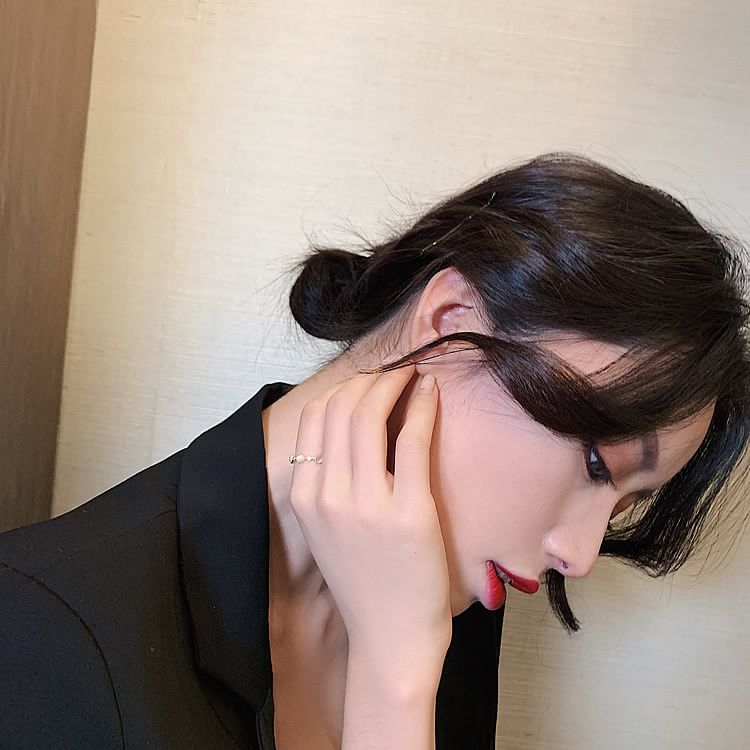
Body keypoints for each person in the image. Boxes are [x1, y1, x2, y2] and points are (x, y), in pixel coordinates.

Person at [1, 151, 748, 749]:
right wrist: (397, 678)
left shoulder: (444, 603)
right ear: (451, 322)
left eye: (622, 504)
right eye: (596, 463)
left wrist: (398, 676)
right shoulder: (38, 629)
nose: (579, 558)